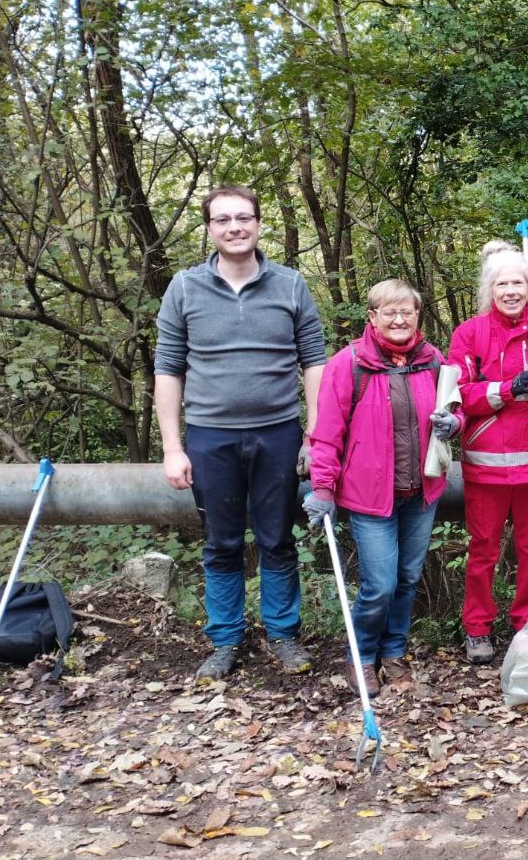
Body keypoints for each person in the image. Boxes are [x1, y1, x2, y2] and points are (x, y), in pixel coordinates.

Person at [154, 185, 326, 684]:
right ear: (210, 228)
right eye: (224, 219)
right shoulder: (184, 288)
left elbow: (314, 361)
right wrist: (172, 447)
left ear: (257, 224)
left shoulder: (291, 285)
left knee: (277, 538)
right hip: (210, 437)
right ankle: (226, 640)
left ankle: (283, 635)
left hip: (279, 434)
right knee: (221, 543)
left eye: (244, 218)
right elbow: (168, 369)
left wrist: (315, 436)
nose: (235, 227)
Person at [301, 279, 461, 695]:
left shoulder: (432, 360)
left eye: (406, 311)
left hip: (420, 492)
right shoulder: (348, 363)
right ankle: (362, 656)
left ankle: (393, 652)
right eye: (389, 311)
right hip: (371, 497)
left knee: (407, 578)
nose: (399, 319)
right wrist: (322, 488)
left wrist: (453, 423)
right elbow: (326, 433)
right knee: (379, 585)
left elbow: (453, 408)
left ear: (418, 315)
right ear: (372, 317)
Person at [449, 241, 528, 664]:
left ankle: (526, 624)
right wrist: (505, 390)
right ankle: (478, 628)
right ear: (490, 288)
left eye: (517, 282)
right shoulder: (469, 334)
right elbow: (459, 394)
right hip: (486, 464)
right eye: (501, 283)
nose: (510, 290)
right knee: (483, 548)